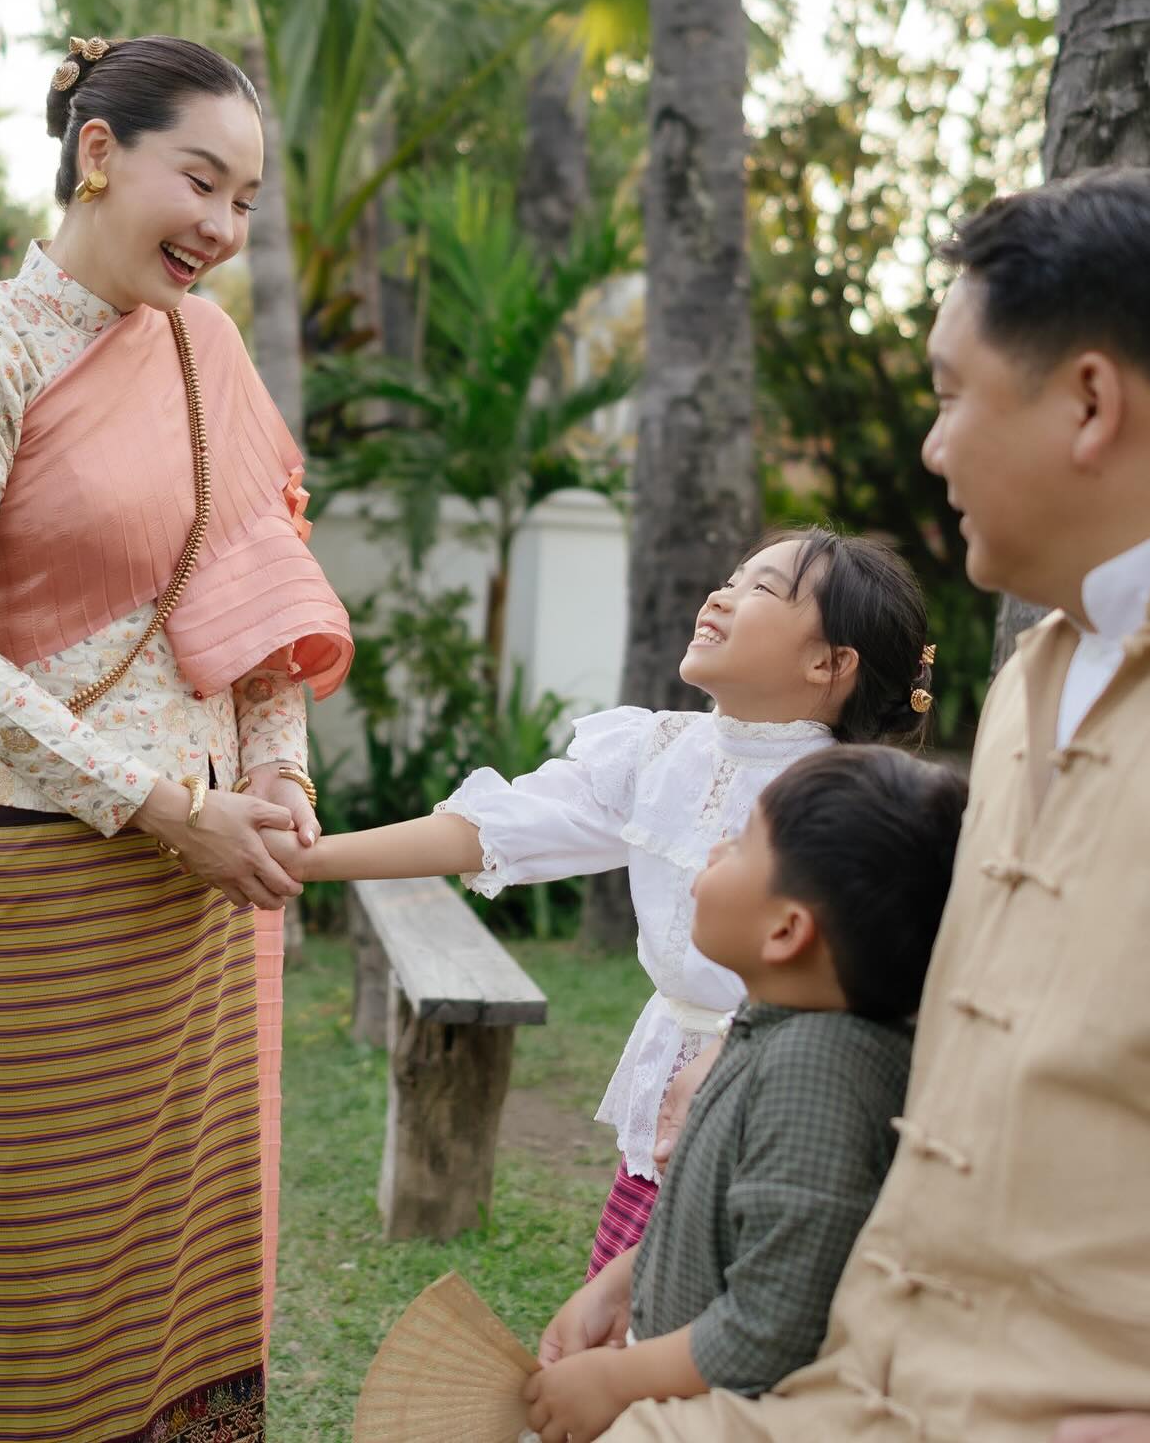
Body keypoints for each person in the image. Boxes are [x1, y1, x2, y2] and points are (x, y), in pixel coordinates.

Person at [600, 165, 1150, 1442]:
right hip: (846, 1376)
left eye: (954, 395)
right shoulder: (1032, 684)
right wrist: (645, 1272)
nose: (932, 445)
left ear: (1088, 401)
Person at [0, 34, 352, 1443]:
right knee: (31, 1287)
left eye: (248, 201)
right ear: (101, 155)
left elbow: (260, 601)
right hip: (49, 877)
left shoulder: (209, 353)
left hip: (213, 889)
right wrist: (162, 805)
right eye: (200, 182)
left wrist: (275, 777)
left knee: (191, 1280)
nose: (223, 228)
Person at [276, 526, 935, 1275]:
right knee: (624, 1302)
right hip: (671, 1081)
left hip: (787, 1094)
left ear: (830, 662)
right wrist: (311, 858)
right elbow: (494, 830)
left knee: (717, 1312)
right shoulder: (657, 752)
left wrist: (733, 1052)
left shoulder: (847, 799)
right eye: (732, 574)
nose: (721, 595)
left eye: (762, 589)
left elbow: (861, 979)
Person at [521, 746, 966, 1443]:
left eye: (741, 844)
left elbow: (772, 1325)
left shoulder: (817, 1074)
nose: (715, 850)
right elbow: (735, 1229)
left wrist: (618, 1381)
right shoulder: (773, 1031)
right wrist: (622, 1284)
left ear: (787, 930)